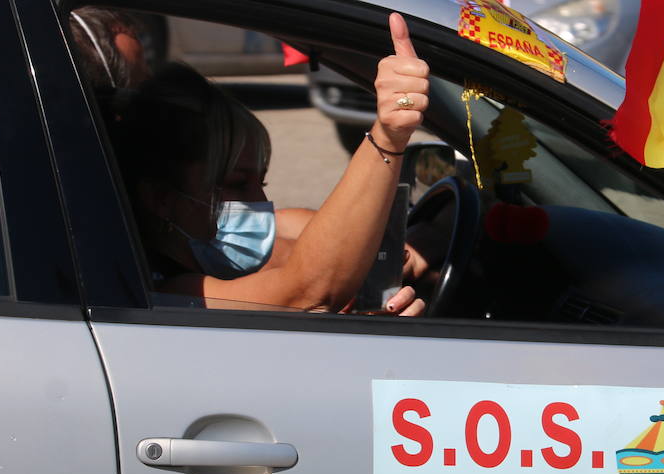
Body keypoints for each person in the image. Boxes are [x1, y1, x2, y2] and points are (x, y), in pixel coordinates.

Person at [111, 13, 428, 314]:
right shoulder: (171, 292)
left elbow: (307, 228)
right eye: (236, 183)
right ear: (161, 198)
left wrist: (405, 254)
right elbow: (307, 290)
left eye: (260, 183)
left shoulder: (208, 251)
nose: (260, 203)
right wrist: (387, 137)